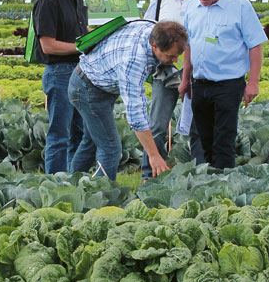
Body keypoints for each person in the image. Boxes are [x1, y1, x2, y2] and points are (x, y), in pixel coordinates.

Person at [69, 20, 188, 180]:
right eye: (170, 56)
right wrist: (153, 155)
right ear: (154, 46)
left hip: (96, 81)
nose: (174, 61)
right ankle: (102, 196)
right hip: (87, 89)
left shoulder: (154, 30)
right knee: (111, 148)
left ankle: (71, 185)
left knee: (91, 141)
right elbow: (136, 115)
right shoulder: (134, 61)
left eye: (177, 56)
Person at [178, 0, 267, 170]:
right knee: (201, 136)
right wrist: (185, 79)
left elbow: (255, 45)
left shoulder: (240, 6)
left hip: (228, 84)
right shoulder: (192, 5)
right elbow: (189, 44)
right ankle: (205, 178)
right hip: (199, 83)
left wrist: (253, 82)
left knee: (224, 138)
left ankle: (223, 182)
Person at [140, 0, 204, 180]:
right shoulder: (160, 1)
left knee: (198, 125)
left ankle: (200, 174)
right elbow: (146, 30)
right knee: (157, 125)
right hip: (166, 71)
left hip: (197, 71)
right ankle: (150, 174)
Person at [33, 0, 93, 174]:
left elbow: (79, 29)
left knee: (78, 130)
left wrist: (95, 35)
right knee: (60, 134)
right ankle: (56, 183)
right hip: (59, 73)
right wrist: (80, 46)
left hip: (78, 70)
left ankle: (74, 178)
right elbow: (48, 45)